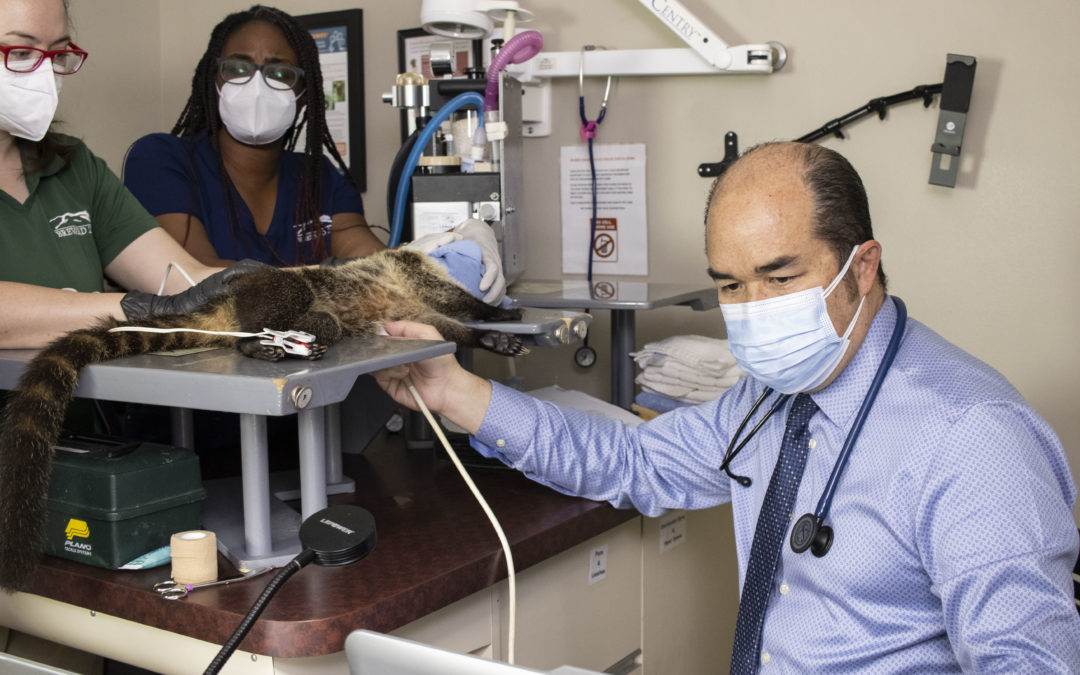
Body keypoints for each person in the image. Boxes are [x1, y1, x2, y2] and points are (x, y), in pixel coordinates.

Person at [375, 141, 1080, 671]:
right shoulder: (774, 398)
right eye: (731, 286)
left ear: (861, 266)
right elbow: (633, 460)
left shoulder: (973, 437)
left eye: (780, 276)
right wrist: (453, 391)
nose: (753, 310)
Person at [121, 4, 506, 305]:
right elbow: (193, 279)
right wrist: (352, 277)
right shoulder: (162, 160)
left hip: (307, 379)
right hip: (192, 389)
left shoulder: (319, 178)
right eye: (237, 68)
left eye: (280, 73)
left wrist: (454, 243)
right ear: (214, 80)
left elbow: (372, 263)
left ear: (304, 94)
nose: (256, 85)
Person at [0, 0, 256, 352]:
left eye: (59, 55)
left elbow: (181, 279)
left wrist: (304, 284)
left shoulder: (73, 167)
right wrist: (139, 309)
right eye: (22, 52)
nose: (45, 73)